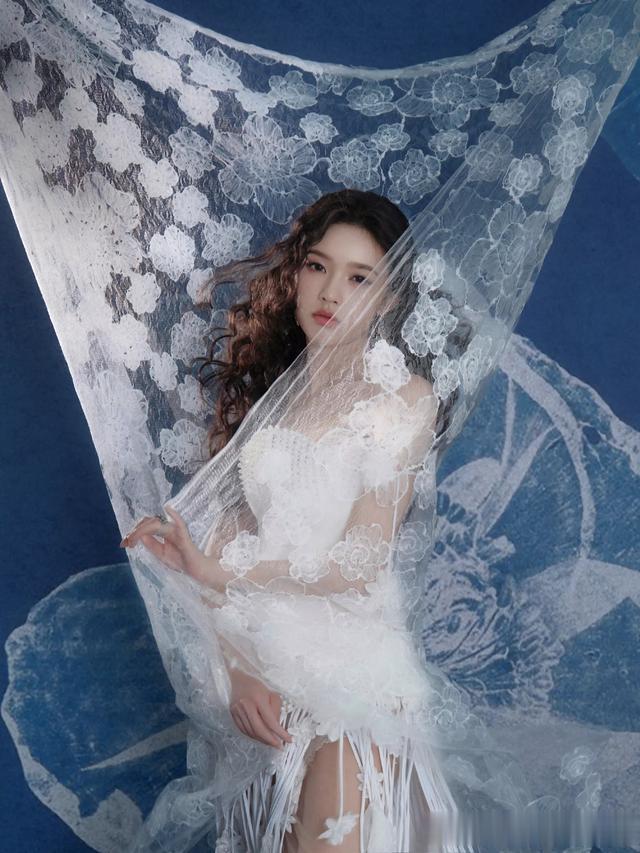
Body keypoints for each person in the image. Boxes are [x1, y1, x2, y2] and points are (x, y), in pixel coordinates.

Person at [122, 189, 462, 852]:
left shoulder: (404, 400)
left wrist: (222, 571)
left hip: (355, 678)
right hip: (267, 671)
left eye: (361, 278)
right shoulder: (272, 406)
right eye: (318, 266)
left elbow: (360, 563)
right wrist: (240, 667)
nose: (331, 292)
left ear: (391, 299)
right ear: (297, 272)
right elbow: (218, 551)